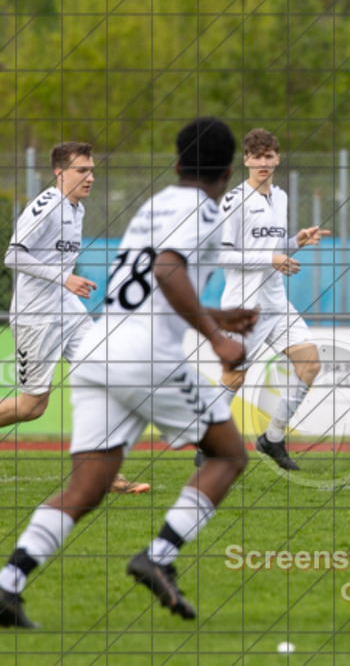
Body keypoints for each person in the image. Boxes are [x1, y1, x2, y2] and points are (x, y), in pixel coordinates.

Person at [0, 117, 259, 628]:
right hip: (138, 355)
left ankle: (8, 585)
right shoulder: (205, 210)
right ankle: (158, 556)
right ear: (229, 171)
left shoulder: (155, 204)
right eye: (82, 169)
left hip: (99, 345)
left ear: (179, 163)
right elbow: (166, 269)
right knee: (228, 454)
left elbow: (150, 277)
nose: (89, 177)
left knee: (87, 486)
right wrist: (217, 337)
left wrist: (216, 318)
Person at [2, 142, 148, 495]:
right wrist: (63, 277)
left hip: (68, 310)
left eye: (92, 170)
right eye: (82, 170)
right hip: (36, 317)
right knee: (32, 406)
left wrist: (66, 285)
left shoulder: (76, 209)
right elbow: (12, 257)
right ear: (59, 172)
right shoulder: (47, 206)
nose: (90, 177)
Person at [203, 128, 327, 471]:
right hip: (244, 305)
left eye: (269, 156)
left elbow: (270, 249)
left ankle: (272, 440)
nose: (263, 162)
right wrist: (272, 259)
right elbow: (222, 256)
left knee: (310, 363)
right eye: (256, 157)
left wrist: (295, 242)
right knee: (235, 378)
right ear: (245, 160)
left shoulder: (281, 197)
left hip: (276, 302)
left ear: (277, 159)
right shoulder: (234, 200)